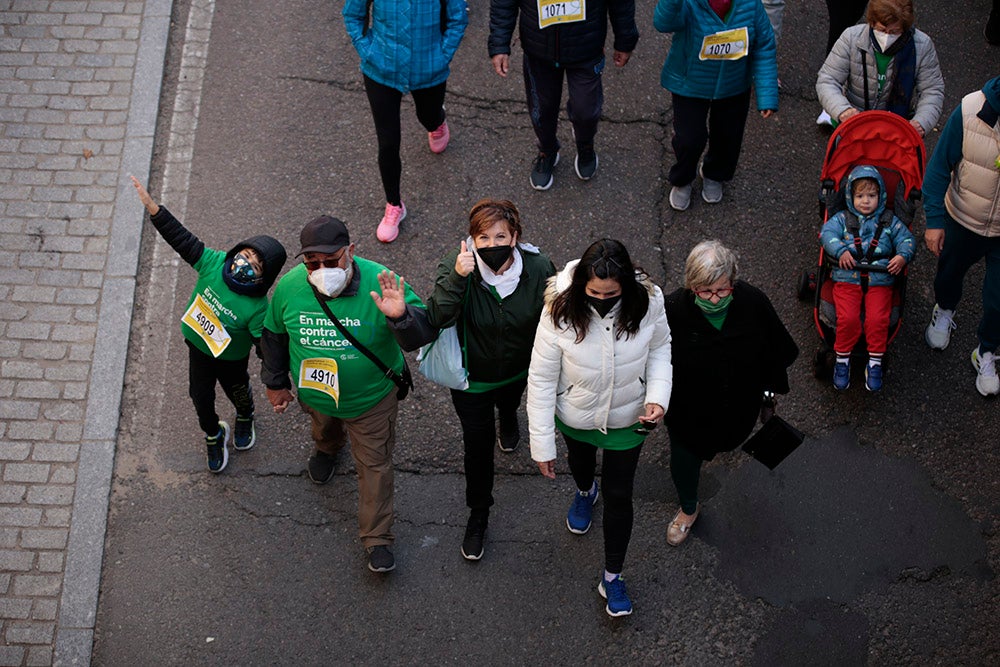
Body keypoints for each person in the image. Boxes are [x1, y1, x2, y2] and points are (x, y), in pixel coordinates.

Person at [260, 215, 436, 573]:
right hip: (316, 394)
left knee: (373, 466)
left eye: (331, 260)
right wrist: (275, 382)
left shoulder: (383, 282)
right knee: (324, 428)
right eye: (313, 263)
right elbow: (273, 336)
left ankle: (377, 538)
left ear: (351, 252)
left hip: (370, 402)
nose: (322, 269)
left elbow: (421, 334)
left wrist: (400, 317)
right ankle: (327, 448)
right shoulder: (290, 287)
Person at [527, 239, 672, 617]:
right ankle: (584, 490)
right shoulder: (558, 311)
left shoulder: (649, 302)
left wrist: (657, 397)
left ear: (625, 285)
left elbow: (660, 349)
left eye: (611, 293)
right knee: (581, 464)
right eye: (593, 293)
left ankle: (612, 576)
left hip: (628, 419)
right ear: (580, 288)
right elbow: (541, 379)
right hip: (577, 416)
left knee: (620, 495)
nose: (602, 299)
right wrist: (542, 444)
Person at [425, 199, 555, 561]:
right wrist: (457, 277)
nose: (491, 245)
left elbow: (556, 319)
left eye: (500, 235)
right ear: (472, 240)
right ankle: (478, 512)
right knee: (477, 449)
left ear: (515, 237)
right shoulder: (458, 266)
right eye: (482, 237)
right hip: (472, 383)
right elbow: (436, 315)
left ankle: (509, 415)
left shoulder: (540, 267)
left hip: (518, 371)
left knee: (510, 401)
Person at [129, 177, 286, 474]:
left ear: (263, 278)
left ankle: (245, 415)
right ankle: (213, 433)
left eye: (255, 265)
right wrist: (154, 210)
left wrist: (277, 381)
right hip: (198, 352)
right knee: (199, 397)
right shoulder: (213, 263)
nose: (244, 263)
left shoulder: (257, 308)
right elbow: (182, 239)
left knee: (237, 390)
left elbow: (266, 348)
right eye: (246, 254)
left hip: (231, 361)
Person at [663, 241, 797, 546]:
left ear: (732, 282)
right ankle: (688, 509)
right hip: (688, 412)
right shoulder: (672, 310)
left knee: (731, 438)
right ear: (691, 286)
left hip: (738, 406)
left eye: (722, 290)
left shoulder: (752, 302)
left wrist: (769, 392)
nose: (713, 298)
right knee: (684, 463)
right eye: (704, 291)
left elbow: (775, 350)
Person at [343, 0, 469, 243]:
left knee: (428, 116)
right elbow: (352, 14)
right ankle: (394, 205)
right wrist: (367, 50)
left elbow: (457, 19)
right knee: (388, 142)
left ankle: (437, 123)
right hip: (380, 70)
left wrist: (442, 56)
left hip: (429, 70)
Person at [488, 0, 638, 190]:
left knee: (586, 112)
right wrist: (499, 43)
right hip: (538, 52)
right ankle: (547, 150)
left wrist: (625, 41)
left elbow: (621, 4)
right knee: (541, 110)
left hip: (586, 50)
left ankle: (585, 144)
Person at [654, 0, 779, 211]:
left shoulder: (751, 5)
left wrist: (767, 94)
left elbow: (764, 45)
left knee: (728, 136)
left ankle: (714, 173)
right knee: (689, 139)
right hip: (690, 83)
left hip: (734, 85)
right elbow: (663, 22)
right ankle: (683, 178)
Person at [923, 76, 1000, 397]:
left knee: (998, 300)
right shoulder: (970, 111)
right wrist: (934, 220)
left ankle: (987, 351)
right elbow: (939, 166)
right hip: (962, 218)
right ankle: (944, 308)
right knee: (949, 275)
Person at [820, 165, 916, 392]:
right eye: (860, 196)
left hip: (880, 280)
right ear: (850, 197)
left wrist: (902, 256)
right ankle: (842, 359)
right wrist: (839, 251)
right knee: (849, 318)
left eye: (871, 196)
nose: (865, 201)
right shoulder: (843, 219)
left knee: (877, 319)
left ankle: (874, 362)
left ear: (881, 196)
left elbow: (907, 240)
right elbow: (826, 234)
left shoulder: (889, 221)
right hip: (847, 276)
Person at [816, 0, 944, 138]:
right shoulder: (851, 38)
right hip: (851, 129)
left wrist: (921, 123)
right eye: (882, 30)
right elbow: (828, 80)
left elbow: (932, 91)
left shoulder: (922, 46)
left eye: (894, 32)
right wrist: (843, 110)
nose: (887, 36)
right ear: (872, 22)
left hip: (896, 136)